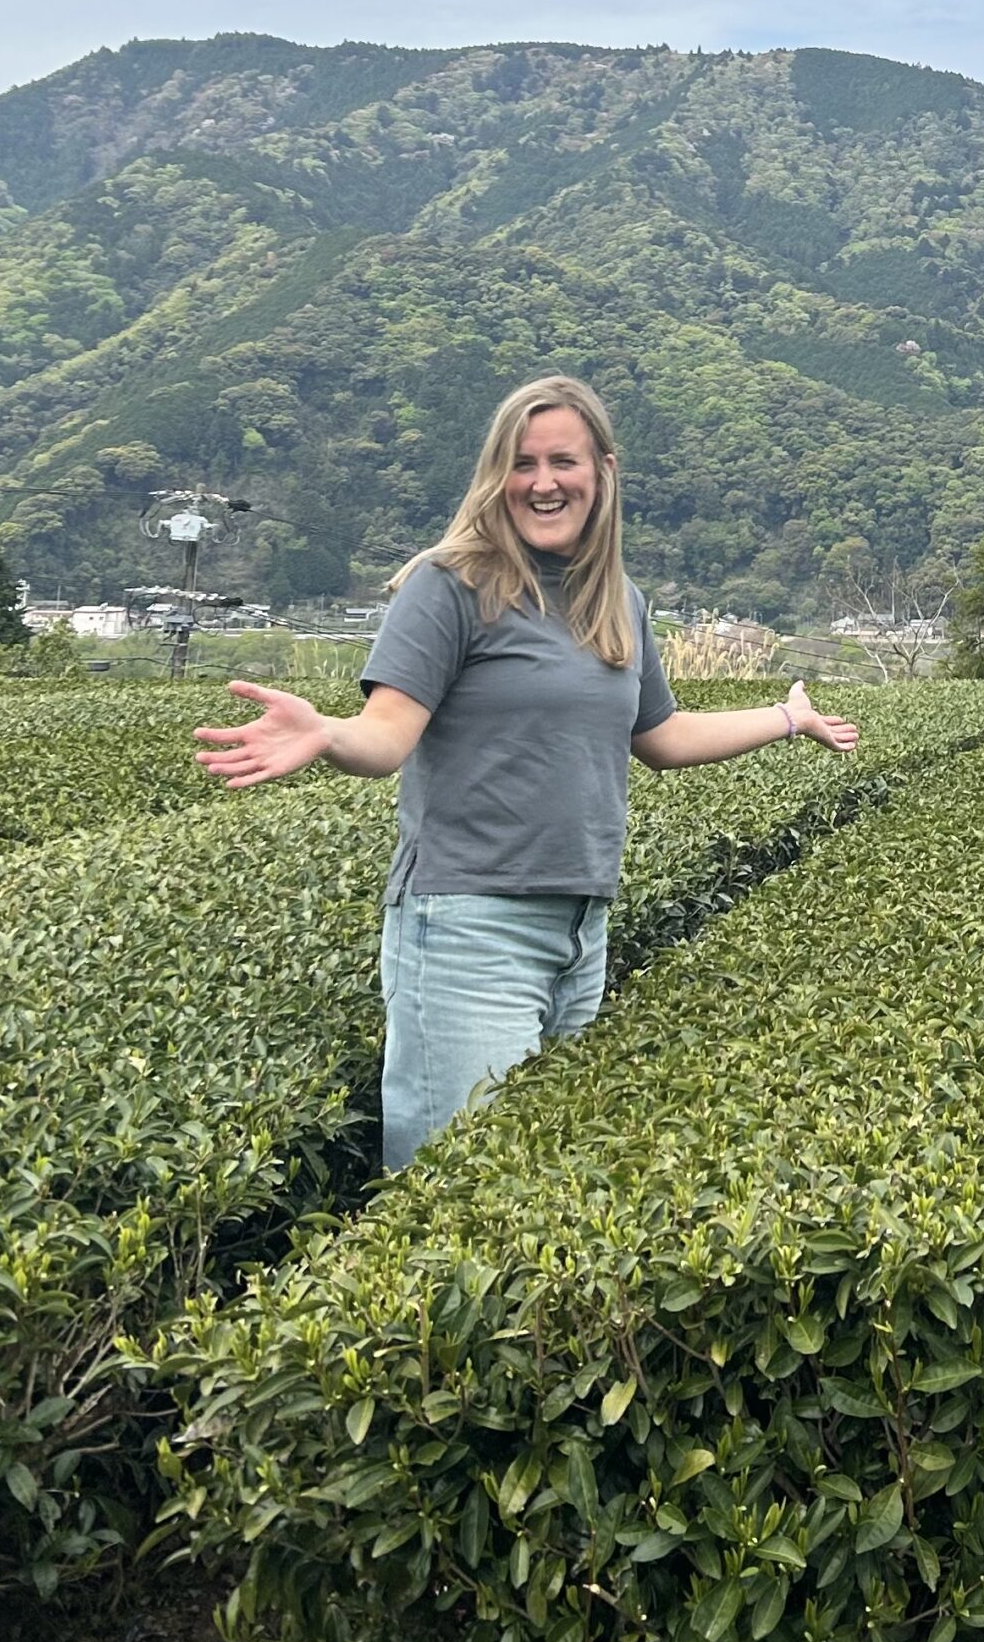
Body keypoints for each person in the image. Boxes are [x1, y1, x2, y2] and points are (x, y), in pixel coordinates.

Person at [194, 373, 856, 1167]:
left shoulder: (619, 600)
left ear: (604, 472)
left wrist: (790, 718)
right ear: (496, 475)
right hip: (468, 928)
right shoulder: (451, 586)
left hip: (581, 931)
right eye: (523, 463)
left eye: (563, 462)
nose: (543, 482)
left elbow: (664, 734)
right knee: (455, 1186)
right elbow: (386, 736)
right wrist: (327, 733)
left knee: (532, 1188)